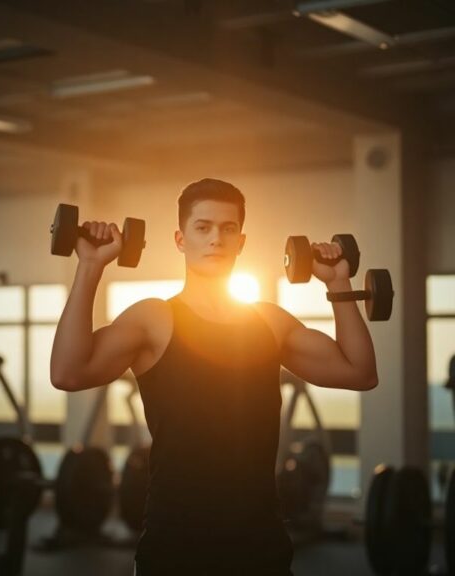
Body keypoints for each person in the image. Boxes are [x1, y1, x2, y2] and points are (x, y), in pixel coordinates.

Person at [50, 178, 378, 575]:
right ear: (180, 239)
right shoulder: (154, 319)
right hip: (175, 547)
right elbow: (68, 373)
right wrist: (89, 266)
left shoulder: (269, 322)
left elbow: (358, 373)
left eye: (227, 229)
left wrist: (339, 283)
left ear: (241, 241)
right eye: (202, 228)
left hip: (262, 548)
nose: (216, 240)